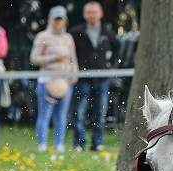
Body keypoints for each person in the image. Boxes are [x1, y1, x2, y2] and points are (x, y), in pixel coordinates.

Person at [69, 1, 119, 152]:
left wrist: (111, 63)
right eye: (89, 12)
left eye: (94, 12)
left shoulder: (107, 32)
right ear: (84, 15)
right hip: (82, 78)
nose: (92, 15)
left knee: (100, 113)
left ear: (100, 14)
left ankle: (97, 143)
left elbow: (118, 47)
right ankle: (79, 143)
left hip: (102, 78)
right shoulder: (75, 33)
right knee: (80, 113)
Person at [30, 6, 78, 152]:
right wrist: (52, 58)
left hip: (65, 81)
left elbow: (73, 60)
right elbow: (34, 58)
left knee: (61, 115)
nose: (58, 23)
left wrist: (73, 76)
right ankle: (42, 144)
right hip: (47, 80)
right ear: (50, 20)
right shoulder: (42, 37)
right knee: (45, 113)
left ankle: (59, 144)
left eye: (61, 20)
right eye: (56, 20)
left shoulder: (68, 38)